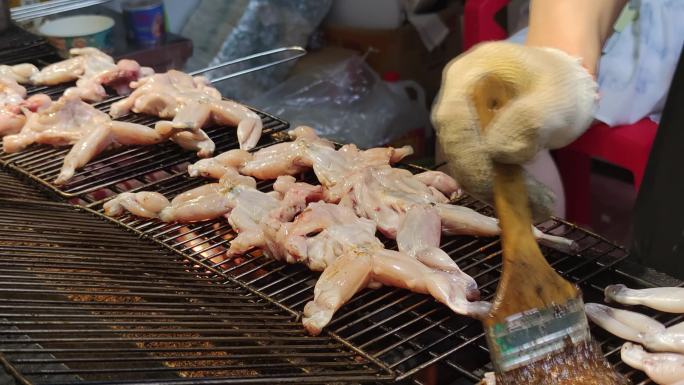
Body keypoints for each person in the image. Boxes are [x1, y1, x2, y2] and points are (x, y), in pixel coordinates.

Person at [431, 0, 684, 276]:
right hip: (617, 21)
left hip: (655, 37)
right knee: (473, 118)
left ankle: (542, 261)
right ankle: (527, 265)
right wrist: (556, 61)